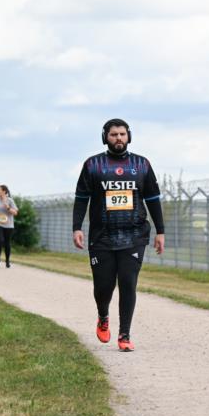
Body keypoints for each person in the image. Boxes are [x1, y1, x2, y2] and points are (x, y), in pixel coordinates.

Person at [72, 118, 165, 352]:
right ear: (106, 137)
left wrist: (160, 231)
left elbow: (153, 200)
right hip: (101, 237)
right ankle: (103, 315)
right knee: (103, 287)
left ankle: (125, 334)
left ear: (129, 136)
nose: (119, 139)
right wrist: (77, 228)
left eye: (122, 134)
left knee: (127, 283)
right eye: (114, 135)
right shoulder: (93, 165)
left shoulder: (141, 165)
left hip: (134, 235)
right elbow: (81, 199)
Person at [0, 184, 19, 268]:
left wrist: (8, 208)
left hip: (8, 224)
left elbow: (15, 212)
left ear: (4, 191)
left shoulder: (10, 200)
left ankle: (7, 261)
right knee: (0, 240)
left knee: (7, 242)